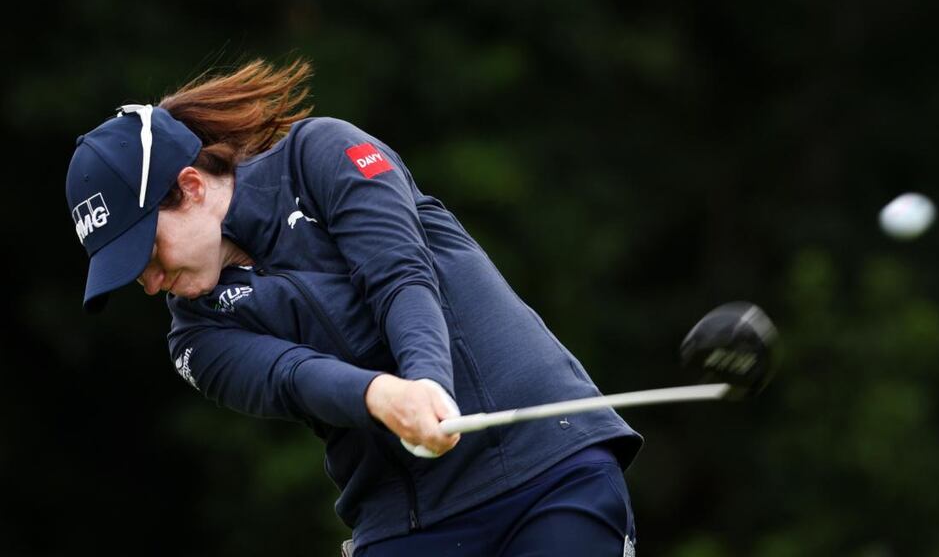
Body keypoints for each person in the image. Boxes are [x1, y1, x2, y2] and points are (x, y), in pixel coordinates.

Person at [65, 58, 643, 556]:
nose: (150, 282)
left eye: (148, 252)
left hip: (548, 465)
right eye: (132, 274)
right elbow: (291, 376)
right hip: (406, 524)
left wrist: (426, 382)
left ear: (191, 187)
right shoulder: (194, 333)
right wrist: (384, 397)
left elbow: (400, 277)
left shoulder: (322, 152)